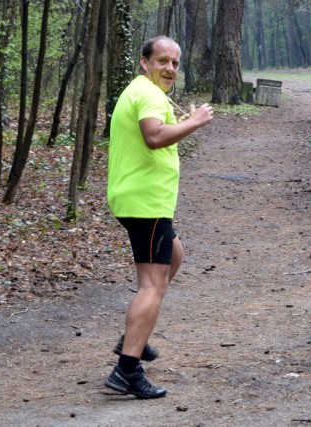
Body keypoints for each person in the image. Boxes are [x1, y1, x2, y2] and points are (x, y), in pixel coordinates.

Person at [104, 36, 213, 399]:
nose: (169, 68)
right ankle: (127, 371)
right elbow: (154, 137)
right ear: (144, 62)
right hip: (145, 203)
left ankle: (134, 337)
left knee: (174, 256)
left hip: (139, 199)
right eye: (162, 60)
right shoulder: (149, 94)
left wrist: (181, 121)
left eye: (175, 63)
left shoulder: (141, 91)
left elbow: (154, 132)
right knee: (152, 284)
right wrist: (195, 122)